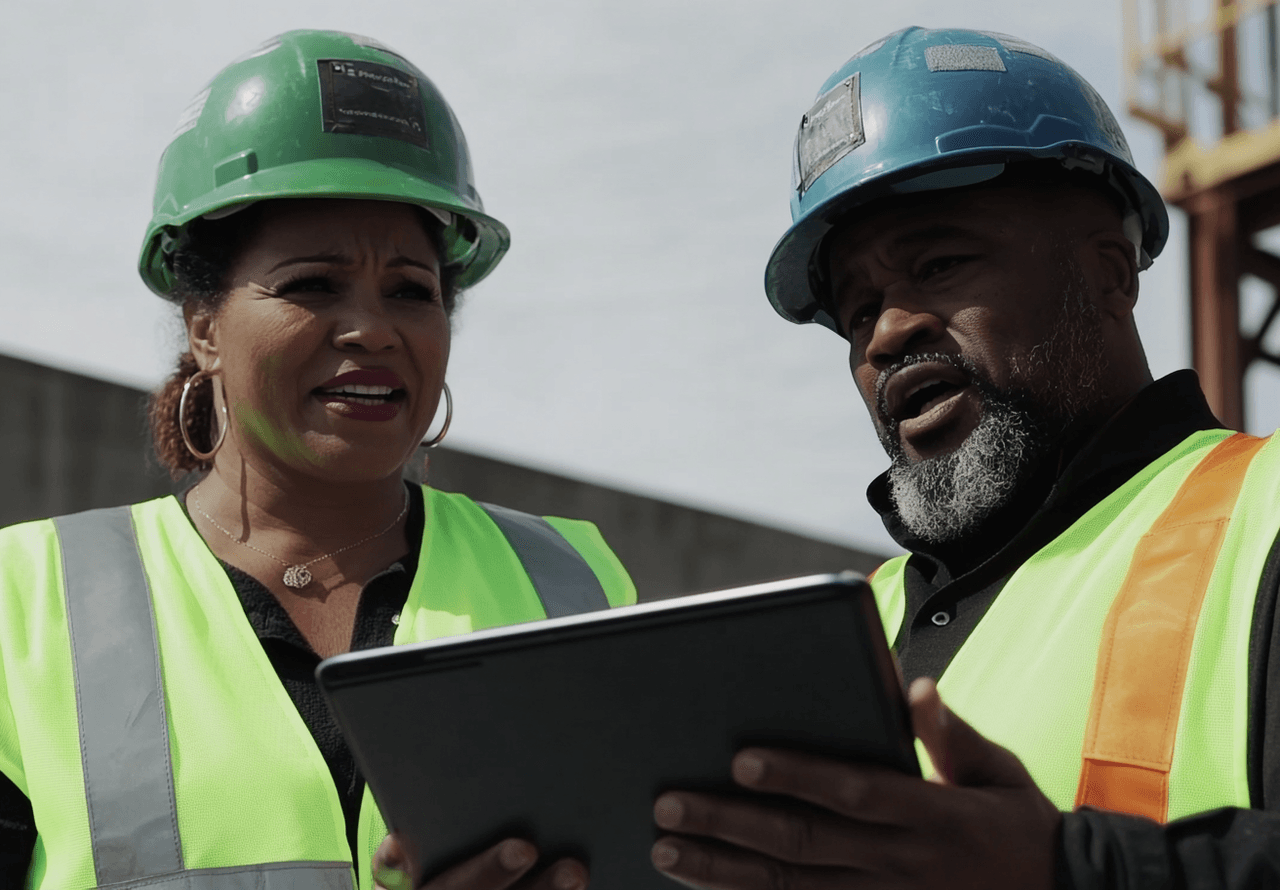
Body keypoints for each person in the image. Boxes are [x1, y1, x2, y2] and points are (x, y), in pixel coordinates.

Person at [0, 30, 634, 890]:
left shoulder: (578, 586)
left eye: (412, 291)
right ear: (204, 325)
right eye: (311, 284)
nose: (373, 329)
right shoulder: (22, 603)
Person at [648, 27, 1280, 889]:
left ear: (1109, 276)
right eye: (857, 309)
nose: (887, 334)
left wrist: (1068, 871)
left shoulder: (1264, 511)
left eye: (939, 264)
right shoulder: (849, 630)